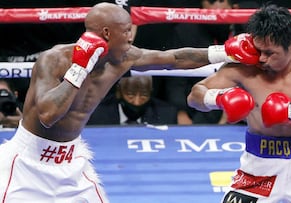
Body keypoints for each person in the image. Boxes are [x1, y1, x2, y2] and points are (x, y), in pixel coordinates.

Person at [0, 2, 251, 202]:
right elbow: (48, 115)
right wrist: (80, 67)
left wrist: (225, 52)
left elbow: (173, 58)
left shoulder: (123, 57)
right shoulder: (54, 59)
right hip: (26, 163)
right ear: (107, 33)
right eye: (127, 30)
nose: (131, 37)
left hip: (71, 160)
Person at [187, 4, 291, 202]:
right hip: (259, 166)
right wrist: (218, 98)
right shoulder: (244, 66)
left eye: (270, 53)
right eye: (258, 49)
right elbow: (195, 96)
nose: (261, 58)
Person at [87, 75, 178, 125]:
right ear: (119, 92)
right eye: (130, 95)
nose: (137, 102)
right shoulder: (96, 113)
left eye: (144, 95)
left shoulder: (167, 114)